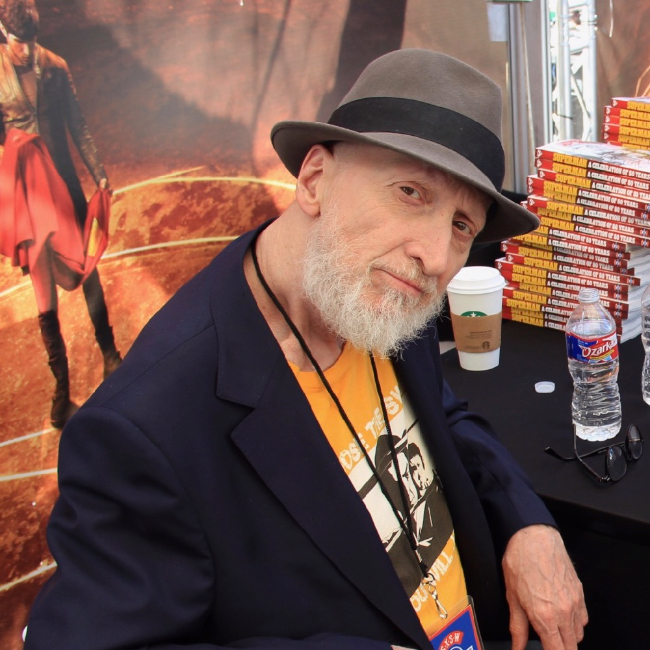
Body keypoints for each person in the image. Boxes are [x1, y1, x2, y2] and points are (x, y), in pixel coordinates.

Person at [23, 49, 588, 649]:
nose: (435, 257)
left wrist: (526, 521)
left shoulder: (376, 292)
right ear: (315, 179)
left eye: (461, 225)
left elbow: (442, 414)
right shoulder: (147, 425)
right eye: (411, 192)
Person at [0, 0, 120, 429]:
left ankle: (109, 354)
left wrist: (98, 173)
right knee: (42, 288)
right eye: (19, 42)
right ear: (5, 32)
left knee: (87, 269)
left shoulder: (55, 66)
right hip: (29, 197)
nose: (26, 50)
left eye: (30, 42)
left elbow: (78, 124)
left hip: (64, 188)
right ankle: (61, 395)